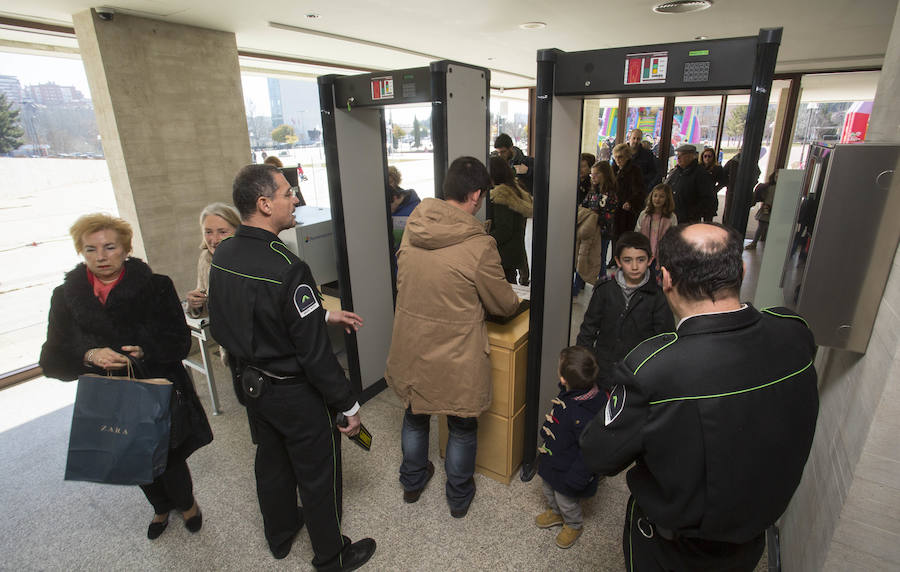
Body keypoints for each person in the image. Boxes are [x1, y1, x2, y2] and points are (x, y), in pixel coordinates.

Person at [579, 223, 819, 572]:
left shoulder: (654, 369)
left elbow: (598, 453)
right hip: (751, 538)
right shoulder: (794, 333)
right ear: (742, 269)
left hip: (677, 549)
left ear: (664, 279)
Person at [208, 164, 375, 568]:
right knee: (318, 472)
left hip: (251, 385)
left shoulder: (225, 252)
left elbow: (241, 317)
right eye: (287, 193)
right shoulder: (287, 266)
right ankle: (331, 555)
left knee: (272, 462)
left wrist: (320, 313)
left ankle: (280, 534)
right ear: (265, 204)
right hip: (294, 394)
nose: (295, 199)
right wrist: (347, 406)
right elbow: (315, 355)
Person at [39, 213, 213, 540]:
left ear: (126, 249)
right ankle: (160, 507)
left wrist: (146, 349)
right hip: (109, 395)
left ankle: (187, 504)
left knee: (170, 456)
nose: (101, 257)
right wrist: (88, 355)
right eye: (91, 249)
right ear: (81, 251)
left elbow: (179, 341)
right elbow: (51, 358)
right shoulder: (65, 298)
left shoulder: (157, 286)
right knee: (130, 453)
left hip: (157, 389)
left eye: (109, 247)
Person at [385, 156, 520, 518]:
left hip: (412, 342)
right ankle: (458, 498)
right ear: (476, 195)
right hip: (457, 353)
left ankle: (412, 482)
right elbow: (503, 304)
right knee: (462, 424)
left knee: (415, 414)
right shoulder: (479, 245)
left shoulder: (414, 224)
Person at [575, 231, 674, 388]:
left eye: (640, 260)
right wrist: (584, 366)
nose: (634, 266)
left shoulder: (658, 297)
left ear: (650, 260)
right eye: (628, 260)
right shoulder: (604, 290)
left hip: (638, 375)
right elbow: (588, 329)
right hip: (603, 372)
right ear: (618, 261)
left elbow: (664, 339)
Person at [534, 346, 605, 549]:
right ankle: (555, 513)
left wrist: (578, 477)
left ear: (565, 379)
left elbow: (589, 450)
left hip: (570, 469)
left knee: (566, 500)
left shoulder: (584, 414)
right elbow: (557, 414)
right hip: (554, 456)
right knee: (548, 488)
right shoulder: (570, 393)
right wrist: (547, 430)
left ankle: (574, 524)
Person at [185, 202, 241, 318]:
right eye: (208, 232)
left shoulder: (251, 259)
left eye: (222, 232)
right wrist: (196, 304)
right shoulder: (205, 259)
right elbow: (206, 301)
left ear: (238, 231)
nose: (214, 240)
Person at [573, 161, 617, 295]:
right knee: (583, 256)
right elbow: (585, 204)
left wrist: (596, 217)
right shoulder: (592, 191)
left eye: (597, 174)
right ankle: (577, 286)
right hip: (589, 231)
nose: (593, 177)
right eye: (592, 174)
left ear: (605, 175)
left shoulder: (610, 193)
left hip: (603, 233)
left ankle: (603, 287)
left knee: (600, 259)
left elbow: (610, 214)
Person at [489, 155, 533, 284]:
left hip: (503, 255)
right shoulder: (516, 188)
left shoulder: (501, 195)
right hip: (514, 251)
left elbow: (504, 230)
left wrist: (484, 239)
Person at [666, 144, 715, 224]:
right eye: (677, 155)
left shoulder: (700, 173)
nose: (678, 158)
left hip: (688, 219)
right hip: (672, 216)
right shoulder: (676, 171)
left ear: (691, 156)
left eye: (681, 155)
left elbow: (707, 198)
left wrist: (692, 214)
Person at [611, 143, 646, 246]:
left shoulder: (635, 170)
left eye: (620, 157)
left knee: (625, 240)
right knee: (615, 239)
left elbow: (639, 190)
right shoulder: (614, 169)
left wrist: (630, 202)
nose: (618, 159)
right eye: (616, 157)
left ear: (627, 156)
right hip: (615, 208)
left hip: (627, 210)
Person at [634, 183, 678, 263]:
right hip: (645, 253)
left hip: (662, 254)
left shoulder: (671, 217)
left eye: (661, 197)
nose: (657, 199)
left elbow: (673, 236)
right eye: (655, 196)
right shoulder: (644, 214)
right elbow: (637, 232)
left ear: (667, 199)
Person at [722, 150, 761, 226]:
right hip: (732, 192)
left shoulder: (751, 162)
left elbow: (757, 175)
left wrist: (750, 185)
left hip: (742, 192)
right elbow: (723, 174)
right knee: (729, 213)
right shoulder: (732, 162)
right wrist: (729, 184)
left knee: (739, 213)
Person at [745, 171, 778, 250]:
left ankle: (756, 243)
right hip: (767, 208)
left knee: (764, 228)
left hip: (771, 209)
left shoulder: (770, 186)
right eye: (776, 176)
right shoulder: (769, 187)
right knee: (761, 227)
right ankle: (754, 243)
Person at [700, 147, 726, 222]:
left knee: (708, 220)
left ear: (713, 157)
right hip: (699, 197)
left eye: (709, 156)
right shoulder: (699, 168)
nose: (707, 158)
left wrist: (714, 190)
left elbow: (723, 182)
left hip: (710, 198)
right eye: (705, 156)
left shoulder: (717, 168)